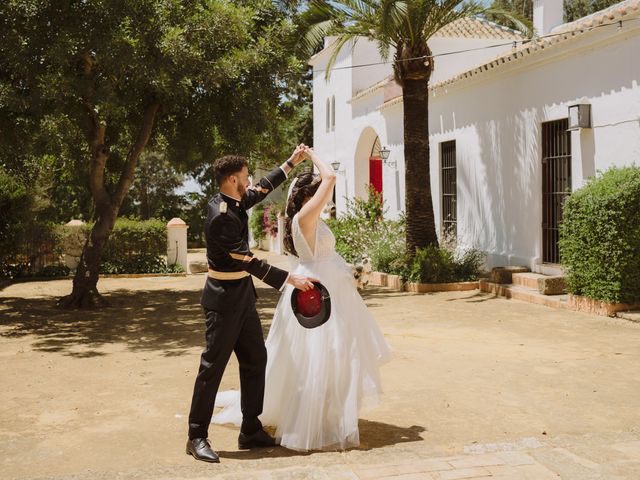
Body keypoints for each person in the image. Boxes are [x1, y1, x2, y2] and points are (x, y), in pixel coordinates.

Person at [213, 147, 391, 451]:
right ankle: (311, 419)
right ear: (310, 195)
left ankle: (328, 411)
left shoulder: (309, 216)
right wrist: (311, 158)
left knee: (334, 356)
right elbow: (331, 176)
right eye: (320, 192)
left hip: (328, 284)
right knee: (320, 355)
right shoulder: (306, 215)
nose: (327, 196)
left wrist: (351, 271)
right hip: (315, 291)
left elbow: (324, 252)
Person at [186, 145, 318, 463]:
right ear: (232, 180)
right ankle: (196, 436)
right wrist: (289, 279)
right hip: (222, 301)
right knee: (212, 368)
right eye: (245, 177)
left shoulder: (235, 200)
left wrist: (291, 163)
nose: (250, 182)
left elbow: (263, 188)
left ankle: (250, 428)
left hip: (243, 297)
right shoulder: (220, 215)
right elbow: (246, 259)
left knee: (256, 360)